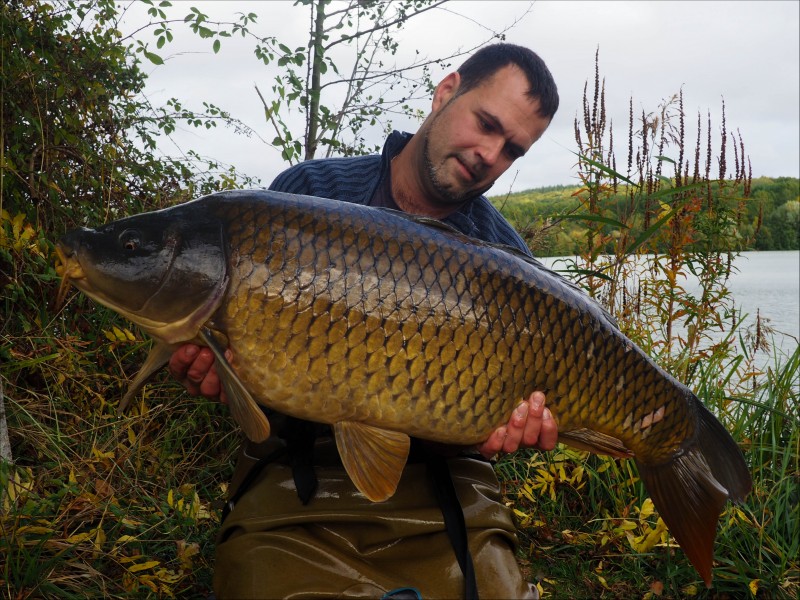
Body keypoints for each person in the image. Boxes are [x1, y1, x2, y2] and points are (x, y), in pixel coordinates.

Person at [170, 43, 560, 599]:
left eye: (512, 150)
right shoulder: (308, 194)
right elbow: (256, 392)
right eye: (486, 124)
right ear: (446, 92)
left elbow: (473, 435)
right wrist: (223, 376)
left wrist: (494, 431)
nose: (489, 154)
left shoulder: (507, 260)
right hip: (298, 468)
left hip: (446, 484)